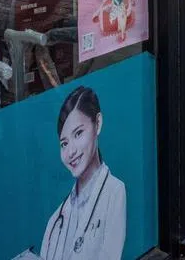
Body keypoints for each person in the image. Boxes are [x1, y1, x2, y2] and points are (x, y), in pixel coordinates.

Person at [39, 86, 127, 260]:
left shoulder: (115, 193)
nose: (70, 152)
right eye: (64, 143)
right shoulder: (55, 219)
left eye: (78, 133)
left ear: (98, 124)